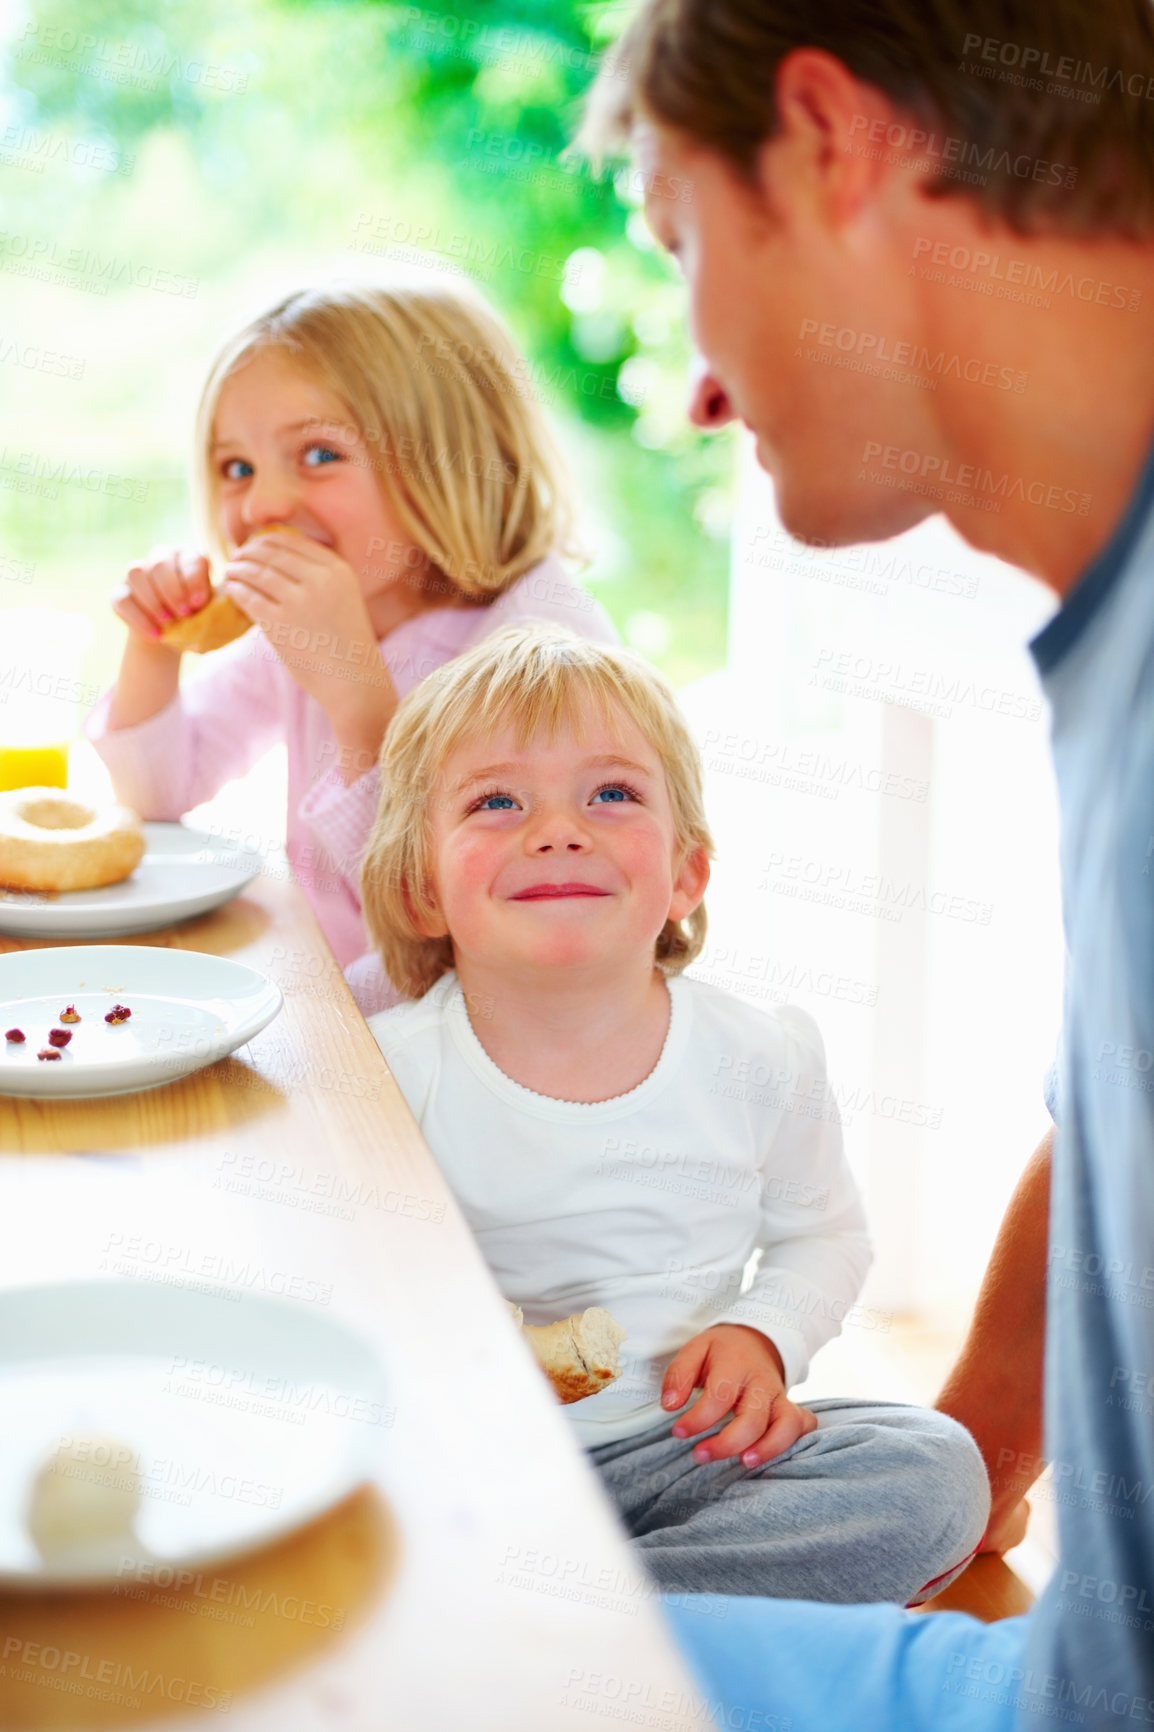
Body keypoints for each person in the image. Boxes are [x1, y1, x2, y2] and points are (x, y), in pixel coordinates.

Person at [578, 0, 1154, 1725]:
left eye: (680, 241)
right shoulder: (1104, 636)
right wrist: (976, 1441)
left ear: (831, 142)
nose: (688, 383)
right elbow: (1109, 1103)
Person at [359, 621, 989, 1605]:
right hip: (468, 1465)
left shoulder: (760, 1055)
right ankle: (629, 1630)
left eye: (610, 793)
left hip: (682, 1460)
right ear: (418, 886)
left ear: (686, 872)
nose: (557, 829)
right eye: (495, 801)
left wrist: (764, 1333)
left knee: (932, 1469)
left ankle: (566, 1624)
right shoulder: (393, 1077)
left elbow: (822, 1236)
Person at [86, 276, 616, 1004]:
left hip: (470, 1038)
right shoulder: (308, 621)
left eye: (319, 455)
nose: (264, 504)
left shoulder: (540, 642)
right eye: (237, 468)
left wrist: (354, 691)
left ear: (450, 456)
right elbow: (157, 792)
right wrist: (155, 644)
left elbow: (444, 913)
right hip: (339, 1014)